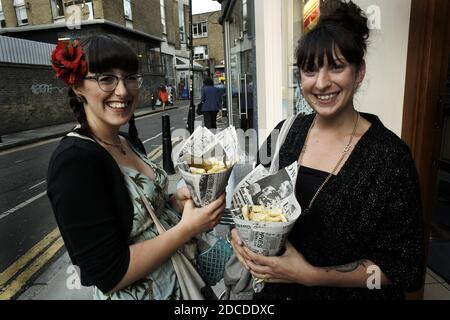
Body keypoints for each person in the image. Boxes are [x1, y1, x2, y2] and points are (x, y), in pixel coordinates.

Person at [230, 1, 424, 300]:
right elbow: (252, 208)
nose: (321, 83)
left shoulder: (390, 158)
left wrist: (310, 276)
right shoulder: (284, 135)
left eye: (336, 66)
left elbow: (404, 269)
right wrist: (239, 237)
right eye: (310, 70)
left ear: (358, 72)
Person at [47, 35, 225, 300]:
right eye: (106, 78)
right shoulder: (74, 162)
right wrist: (187, 229)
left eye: (130, 77)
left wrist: (176, 203)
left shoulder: (125, 140)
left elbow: (142, 216)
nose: (123, 90)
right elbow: (109, 274)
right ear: (78, 87)